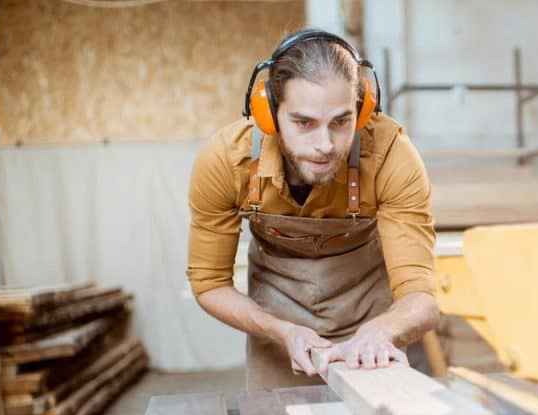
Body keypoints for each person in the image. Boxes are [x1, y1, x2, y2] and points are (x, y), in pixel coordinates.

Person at [186, 28, 438, 390]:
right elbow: (209, 284)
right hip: (279, 331)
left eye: (341, 121)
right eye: (304, 123)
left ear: (362, 108)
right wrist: (280, 330)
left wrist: (383, 330)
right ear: (269, 113)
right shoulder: (226, 161)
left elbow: (421, 298)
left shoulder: (391, 156)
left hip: (373, 324)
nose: (325, 145)